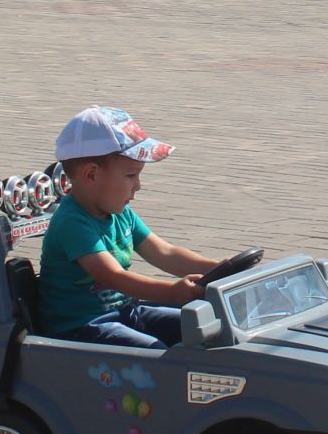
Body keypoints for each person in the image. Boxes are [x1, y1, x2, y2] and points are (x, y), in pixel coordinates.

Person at [38, 106, 220, 348]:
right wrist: (173, 293)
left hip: (125, 313)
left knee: (210, 329)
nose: (138, 186)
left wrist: (219, 268)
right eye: (131, 176)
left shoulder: (120, 214)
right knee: (156, 354)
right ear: (91, 175)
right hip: (82, 328)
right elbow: (114, 276)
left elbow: (166, 253)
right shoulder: (72, 222)